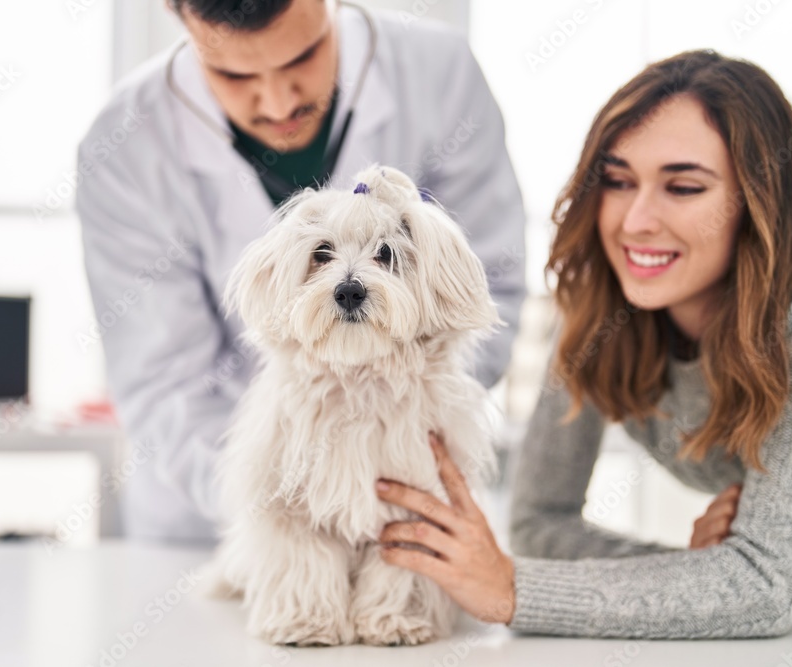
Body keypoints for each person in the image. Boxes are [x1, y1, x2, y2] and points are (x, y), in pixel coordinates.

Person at [375, 50, 792, 637]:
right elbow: (539, 524)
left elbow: (767, 586)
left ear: (759, 200)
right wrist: (699, 577)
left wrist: (513, 589)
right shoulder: (601, 303)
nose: (635, 220)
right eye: (618, 181)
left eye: (683, 186)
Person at [75, 0, 525, 544]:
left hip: (406, 491)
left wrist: (395, 432)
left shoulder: (440, 72)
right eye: (234, 74)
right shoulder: (125, 143)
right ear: (176, 15)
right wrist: (282, 497)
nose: (278, 101)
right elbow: (164, 382)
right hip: (210, 519)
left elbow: (485, 291)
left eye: (304, 56)